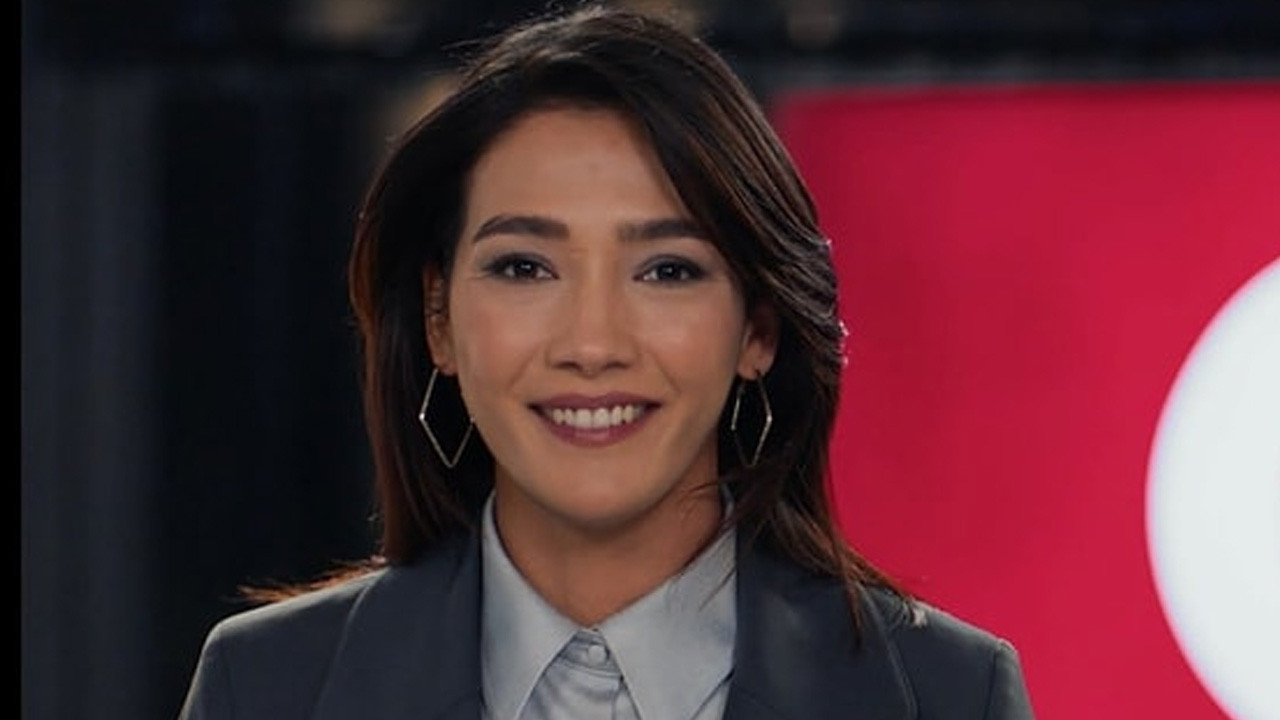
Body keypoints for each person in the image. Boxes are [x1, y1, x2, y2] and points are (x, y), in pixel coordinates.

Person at [178, 4, 1036, 718]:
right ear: (439, 321)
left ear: (758, 328)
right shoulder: (269, 687)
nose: (592, 345)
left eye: (667, 271)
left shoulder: (946, 695)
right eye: (525, 268)